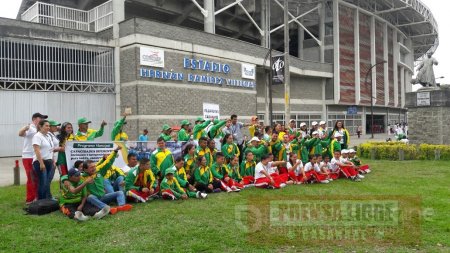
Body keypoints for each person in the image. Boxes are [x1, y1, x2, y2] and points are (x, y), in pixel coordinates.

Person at [82, 146, 133, 215]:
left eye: (94, 166)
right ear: (85, 170)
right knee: (90, 197)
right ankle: (107, 208)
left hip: (103, 197)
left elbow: (108, 162)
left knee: (120, 193)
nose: (94, 168)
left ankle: (121, 206)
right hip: (94, 199)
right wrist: (86, 182)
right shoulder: (82, 177)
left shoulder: (99, 170)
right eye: (91, 167)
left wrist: (115, 151)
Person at [18, 112, 47, 203]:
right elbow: (20, 133)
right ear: (34, 119)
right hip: (28, 156)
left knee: (37, 177)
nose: (42, 120)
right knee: (31, 178)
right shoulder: (31, 128)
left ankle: (37, 197)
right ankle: (30, 199)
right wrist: (24, 128)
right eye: (40, 118)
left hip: (36, 156)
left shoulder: (40, 129)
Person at [32, 119, 55, 200]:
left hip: (49, 161)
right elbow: (36, 150)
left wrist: (53, 161)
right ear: (40, 126)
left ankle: (47, 199)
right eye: (46, 126)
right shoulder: (37, 136)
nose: (48, 127)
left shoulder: (48, 136)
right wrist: (41, 163)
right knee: (43, 182)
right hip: (40, 162)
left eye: (49, 126)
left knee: (47, 182)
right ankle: (41, 200)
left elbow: (51, 149)